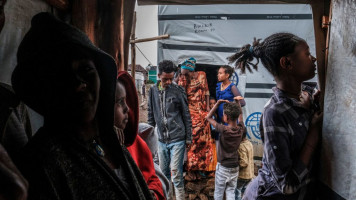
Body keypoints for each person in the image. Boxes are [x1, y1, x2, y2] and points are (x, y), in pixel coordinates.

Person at [12, 12, 153, 200]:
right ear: (41, 87)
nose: (79, 84)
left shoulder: (108, 140)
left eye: (86, 70)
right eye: (62, 76)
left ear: (100, 77)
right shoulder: (43, 164)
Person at [228, 33, 323, 200]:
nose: (314, 58)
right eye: (307, 54)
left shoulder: (307, 97)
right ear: (286, 63)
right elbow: (287, 185)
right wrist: (313, 133)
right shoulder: (275, 113)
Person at [114, 71, 165, 200]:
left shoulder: (134, 142)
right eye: (119, 102)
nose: (127, 108)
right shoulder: (92, 150)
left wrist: (152, 193)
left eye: (126, 101)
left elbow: (154, 179)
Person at [147, 60, 192, 200]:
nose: (168, 82)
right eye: (165, 79)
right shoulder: (153, 90)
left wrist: (188, 137)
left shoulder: (178, 90)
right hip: (161, 139)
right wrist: (149, 135)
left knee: (176, 175)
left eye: (171, 79)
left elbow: (186, 114)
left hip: (177, 138)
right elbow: (150, 113)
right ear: (159, 75)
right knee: (163, 174)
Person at [178, 57, 217, 177]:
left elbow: (206, 91)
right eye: (182, 73)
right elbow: (181, 96)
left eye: (185, 73)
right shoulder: (183, 79)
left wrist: (208, 109)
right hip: (190, 111)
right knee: (193, 139)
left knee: (204, 139)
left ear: (190, 70)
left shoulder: (202, 75)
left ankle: (205, 167)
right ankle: (193, 167)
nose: (183, 75)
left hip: (202, 109)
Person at [206, 97, 244, 200]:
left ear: (226, 117)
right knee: (231, 191)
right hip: (235, 166)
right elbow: (240, 116)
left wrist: (217, 104)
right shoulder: (241, 129)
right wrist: (237, 103)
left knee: (219, 192)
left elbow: (208, 117)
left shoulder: (223, 129)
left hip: (223, 167)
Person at [235, 130, 254, 200]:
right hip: (250, 174)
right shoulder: (249, 143)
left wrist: (236, 167)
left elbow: (244, 162)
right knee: (246, 190)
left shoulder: (241, 146)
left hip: (242, 175)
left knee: (237, 190)